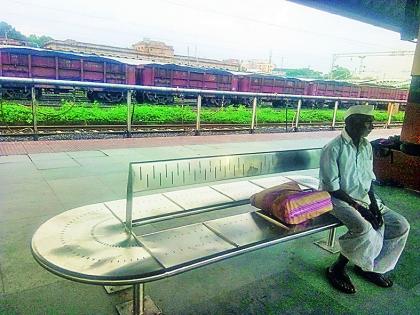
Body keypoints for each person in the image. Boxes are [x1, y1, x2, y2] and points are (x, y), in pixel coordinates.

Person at [319, 104, 410, 294]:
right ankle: (337, 268)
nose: (372, 126)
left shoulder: (367, 146)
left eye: (372, 122)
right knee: (364, 228)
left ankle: (370, 266)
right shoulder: (333, 148)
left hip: (363, 199)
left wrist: (374, 206)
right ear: (351, 122)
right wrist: (362, 210)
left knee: (400, 225)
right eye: (368, 122)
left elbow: (368, 179)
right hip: (335, 199)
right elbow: (332, 188)